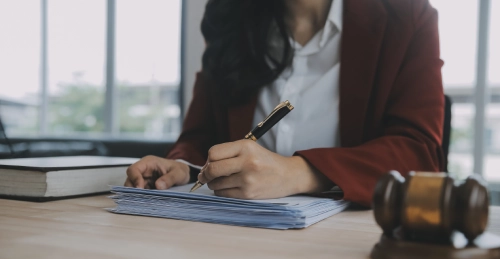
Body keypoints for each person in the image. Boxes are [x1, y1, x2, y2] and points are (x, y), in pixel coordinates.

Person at [125, 0, 444, 207]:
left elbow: (420, 153)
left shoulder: (407, 17)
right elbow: (200, 136)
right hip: (231, 239)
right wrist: (183, 167)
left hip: (348, 246)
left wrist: (300, 173)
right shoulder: (227, 15)